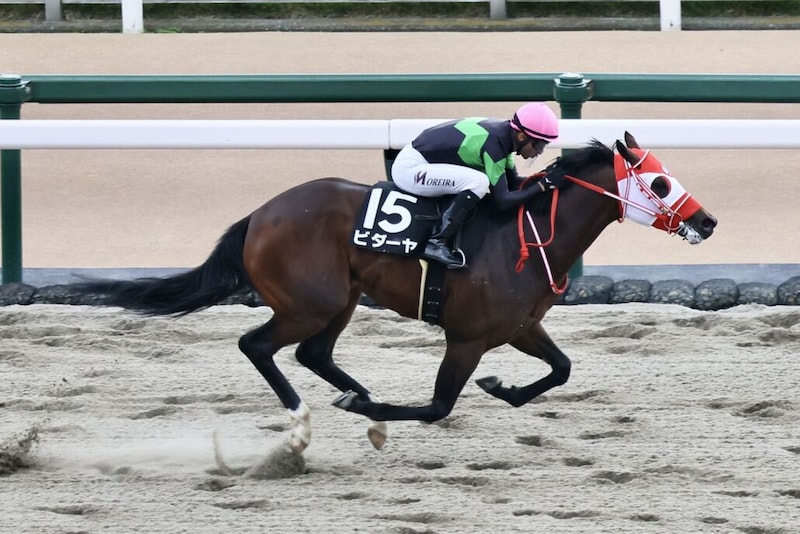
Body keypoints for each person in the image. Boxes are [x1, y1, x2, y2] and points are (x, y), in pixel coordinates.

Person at [391, 102, 562, 269]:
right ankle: (436, 241)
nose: (538, 152)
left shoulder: (504, 140)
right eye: (538, 145)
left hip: (422, 162)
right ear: (522, 136)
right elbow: (502, 201)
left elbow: (514, 184)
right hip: (411, 170)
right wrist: (541, 186)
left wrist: (545, 179)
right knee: (479, 182)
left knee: (477, 180)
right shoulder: (494, 145)